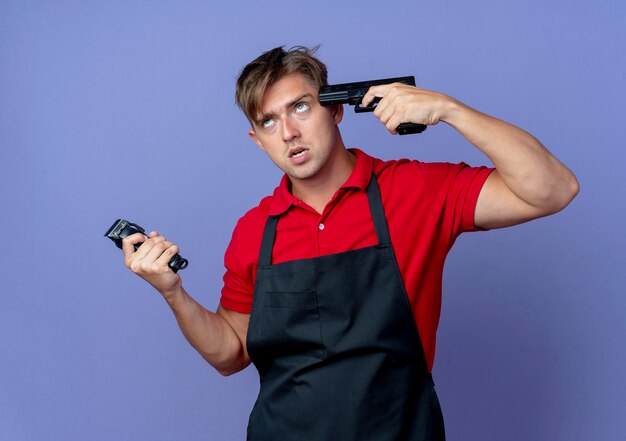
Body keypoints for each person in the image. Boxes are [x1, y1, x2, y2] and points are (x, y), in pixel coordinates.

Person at [121, 46, 579, 440]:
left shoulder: (416, 190)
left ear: (336, 109)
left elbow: (553, 189)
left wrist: (449, 109)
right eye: (268, 121)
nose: (288, 133)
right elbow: (229, 354)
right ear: (257, 140)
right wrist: (172, 293)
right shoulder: (254, 230)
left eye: (300, 107)